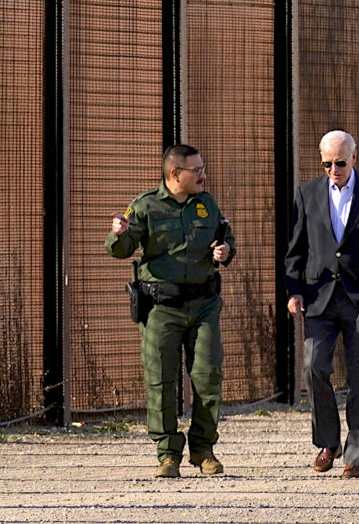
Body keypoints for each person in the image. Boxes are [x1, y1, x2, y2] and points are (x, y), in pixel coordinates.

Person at [105, 144, 234, 478]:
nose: (204, 175)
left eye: (203, 168)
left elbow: (225, 237)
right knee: (161, 381)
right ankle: (168, 454)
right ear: (175, 174)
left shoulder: (206, 203)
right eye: (197, 170)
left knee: (208, 377)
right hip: (161, 308)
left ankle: (204, 450)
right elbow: (121, 249)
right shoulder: (145, 205)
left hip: (204, 305)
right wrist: (118, 234)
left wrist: (225, 250)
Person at [284, 130, 359, 479]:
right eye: (326, 163)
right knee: (314, 367)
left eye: (339, 162)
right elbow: (295, 248)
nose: (333, 169)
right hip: (319, 296)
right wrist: (294, 290)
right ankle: (328, 442)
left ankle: (355, 455)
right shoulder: (307, 194)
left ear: (354, 157)